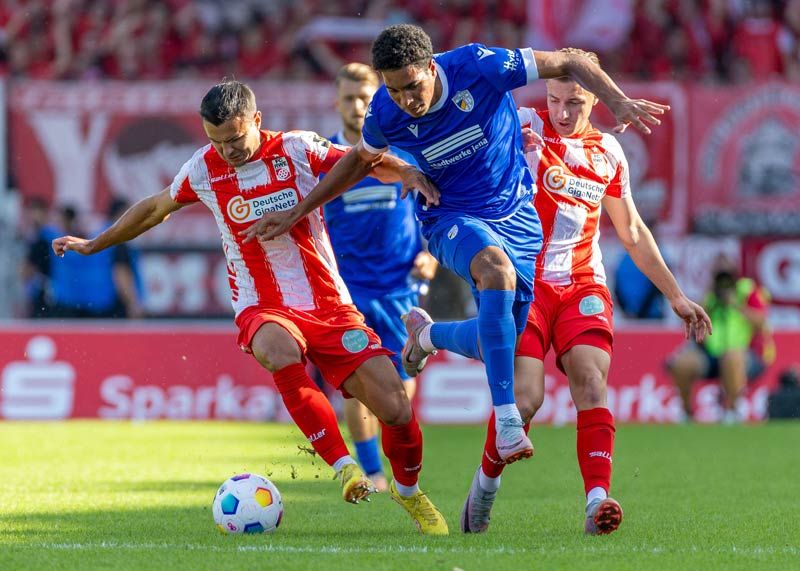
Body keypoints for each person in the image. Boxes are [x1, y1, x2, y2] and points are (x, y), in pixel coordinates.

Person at [241, 24, 671, 467]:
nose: (405, 100)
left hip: (517, 219)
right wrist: (297, 212)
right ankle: (506, 421)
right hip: (449, 216)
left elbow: (569, 60)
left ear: (431, 66)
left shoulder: (477, 64)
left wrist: (618, 99)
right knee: (495, 272)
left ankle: (429, 336)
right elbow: (358, 161)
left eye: (411, 86)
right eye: (393, 90)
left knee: (496, 337)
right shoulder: (385, 112)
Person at [52, 80, 448, 535]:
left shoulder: (297, 148)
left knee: (396, 409)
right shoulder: (203, 168)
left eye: (235, 139)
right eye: (216, 141)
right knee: (277, 349)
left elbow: (363, 162)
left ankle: (409, 492)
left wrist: (405, 172)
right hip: (262, 304)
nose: (228, 151)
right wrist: (95, 243)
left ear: (257, 121)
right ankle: (345, 468)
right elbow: (155, 208)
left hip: (330, 305)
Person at [459, 48, 712, 536]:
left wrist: (676, 296)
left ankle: (598, 501)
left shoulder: (609, 154)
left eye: (574, 101)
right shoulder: (525, 125)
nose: (562, 111)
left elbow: (632, 231)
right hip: (523, 281)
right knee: (526, 400)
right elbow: (469, 125)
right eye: (556, 98)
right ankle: (485, 487)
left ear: (594, 98)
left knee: (591, 384)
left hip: (582, 284)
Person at [324, 62, 438, 492]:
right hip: (347, 292)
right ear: (336, 102)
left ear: (381, 98)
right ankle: (373, 473)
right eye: (350, 97)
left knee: (400, 387)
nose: (358, 105)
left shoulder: (404, 155)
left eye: (366, 97)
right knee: (356, 387)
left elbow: (433, 206)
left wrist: (431, 254)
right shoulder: (327, 158)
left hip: (399, 288)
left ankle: (397, 467)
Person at [667, 259, 773, 424]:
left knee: (732, 358)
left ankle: (731, 412)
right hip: (711, 354)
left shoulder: (746, 291)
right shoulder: (710, 296)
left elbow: (761, 322)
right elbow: (690, 323)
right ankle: (686, 413)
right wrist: (710, 299)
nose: (724, 284)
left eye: (727, 277)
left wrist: (736, 304)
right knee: (682, 364)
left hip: (743, 354)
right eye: (719, 277)